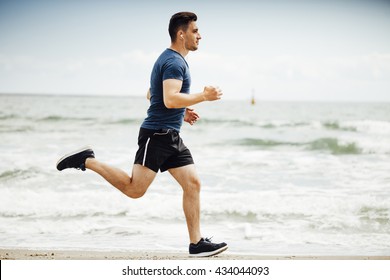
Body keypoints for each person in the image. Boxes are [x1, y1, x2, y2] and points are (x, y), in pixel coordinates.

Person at [56, 11, 227, 257]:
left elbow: (152, 94)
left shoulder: (171, 60)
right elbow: (168, 99)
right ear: (181, 34)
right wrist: (203, 96)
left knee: (193, 184)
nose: (200, 35)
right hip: (157, 135)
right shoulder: (174, 62)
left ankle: (196, 243)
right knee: (134, 190)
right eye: (195, 31)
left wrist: (181, 112)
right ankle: (86, 160)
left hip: (170, 135)